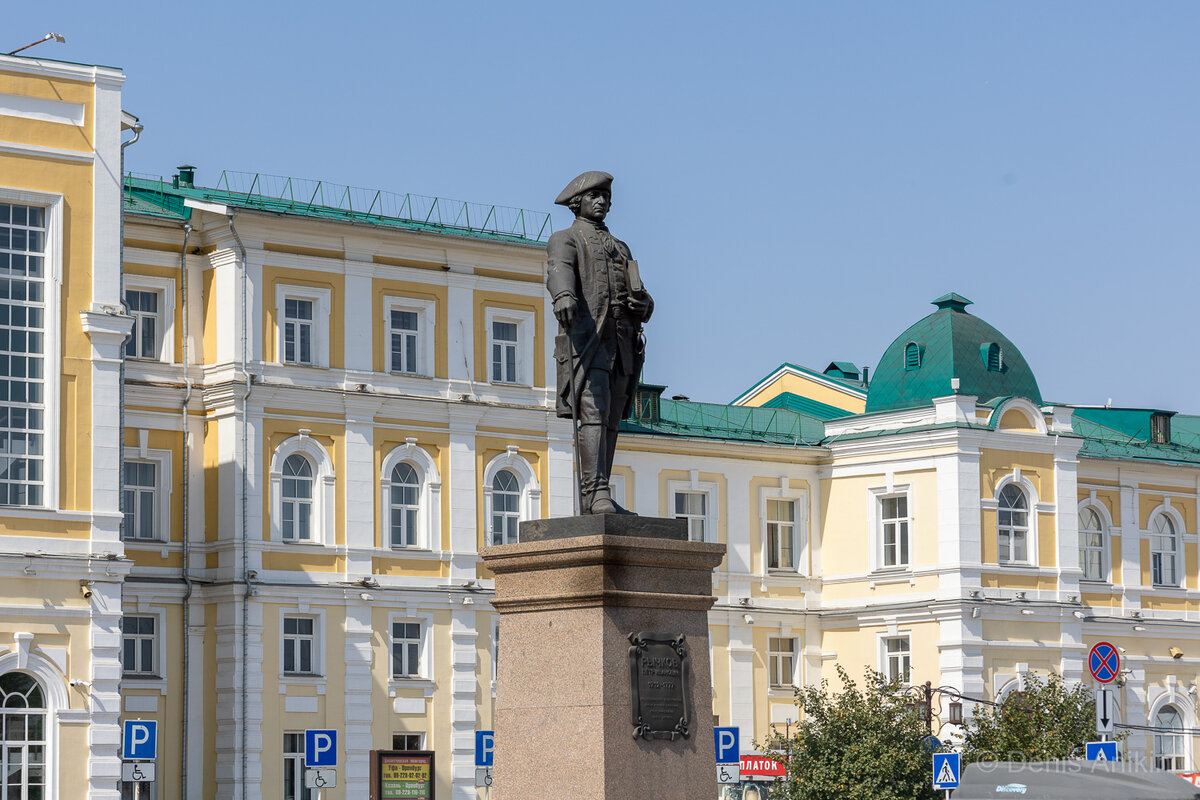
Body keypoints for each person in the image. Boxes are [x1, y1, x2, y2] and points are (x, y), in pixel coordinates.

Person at [546, 171, 653, 514]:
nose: (603, 202)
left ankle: (598, 496)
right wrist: (563, 295)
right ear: (577, 202)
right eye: (595, 196)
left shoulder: (621, 248)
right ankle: (596, 493)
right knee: (594, 410)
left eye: (606, 197)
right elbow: (558, 270)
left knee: (610, 418)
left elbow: (642, 293)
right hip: (588, 340)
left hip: (622, 343)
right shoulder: (566, 239)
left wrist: (645, 305)